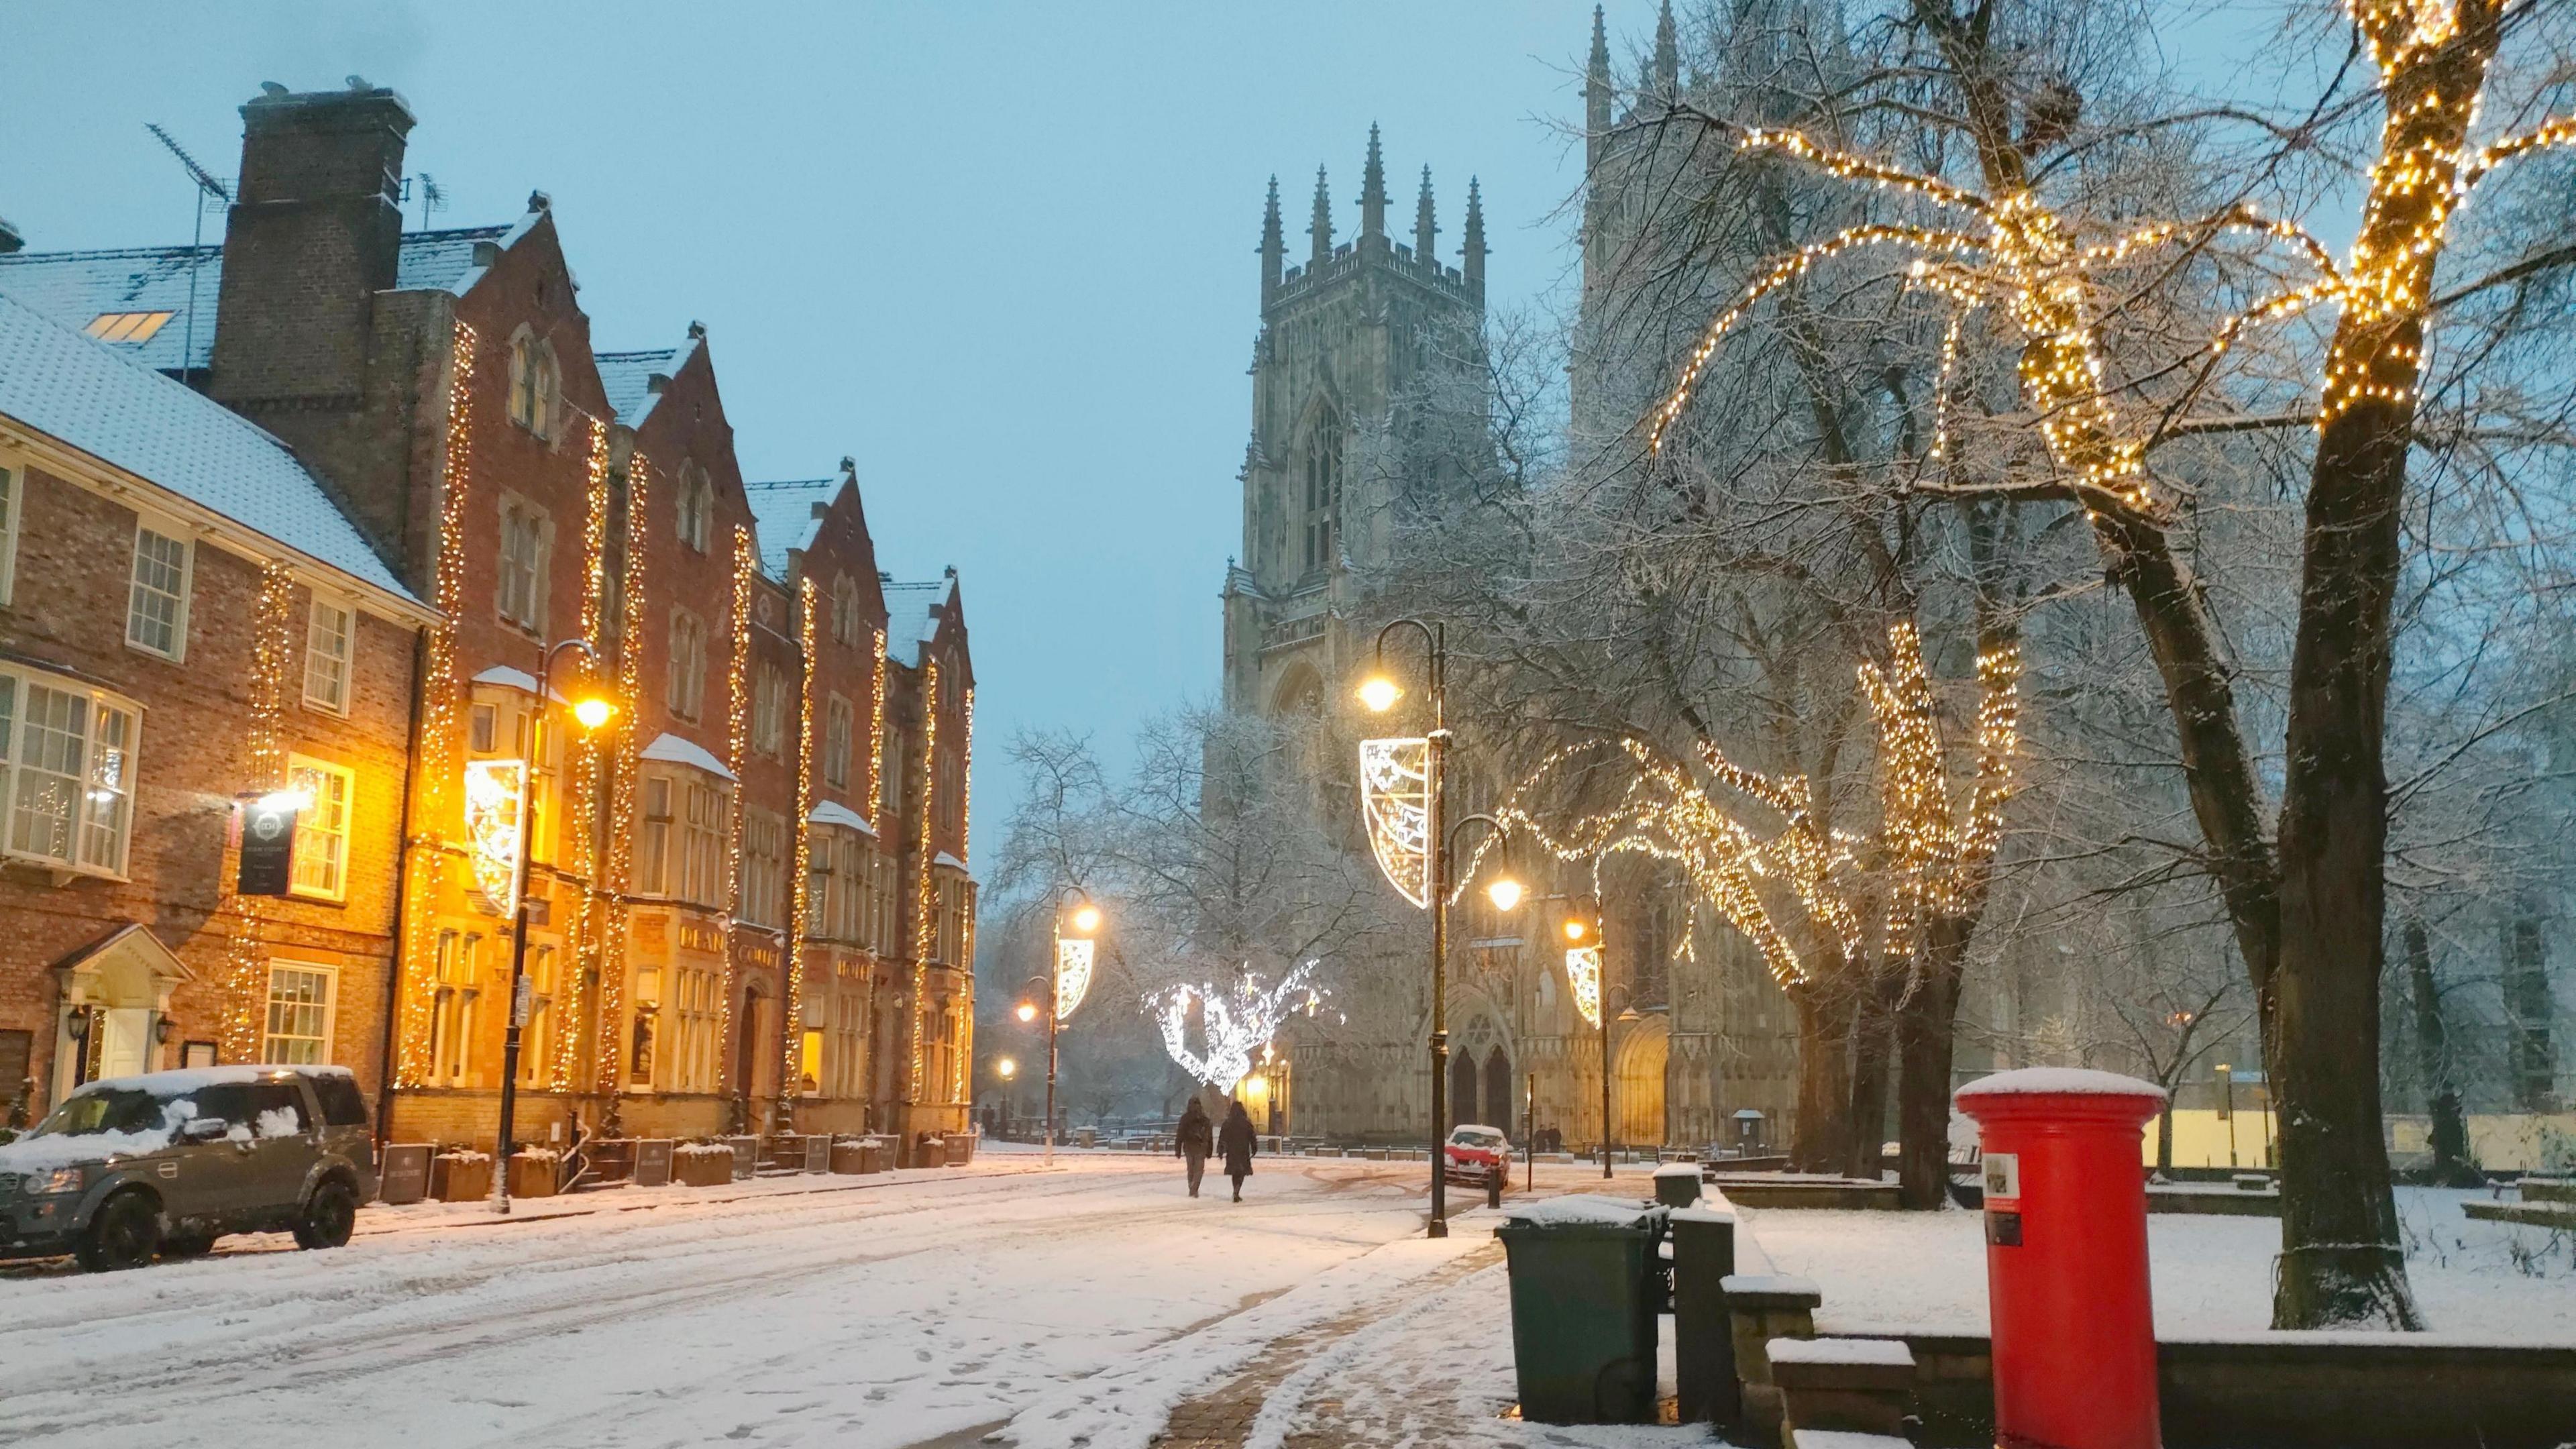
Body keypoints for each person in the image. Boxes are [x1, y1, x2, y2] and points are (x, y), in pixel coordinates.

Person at [1218, 1098, 1258, 1202]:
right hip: (1243, 1151)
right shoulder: (1246, 1123)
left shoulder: (1228, 1123)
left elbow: (1222, 1138)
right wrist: (1254, 1148)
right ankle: (1237, 1190)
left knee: (1235, 1172)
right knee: (1241, 1172)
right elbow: (1252, 1137)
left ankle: (1235, 1190)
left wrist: (1221, 1150)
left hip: (1232, 1151)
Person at [1175, 1097, 1214, 1197]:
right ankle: (1194, 1187)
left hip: (1189, 1146)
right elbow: (1209, 1136)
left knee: (1191, 1169)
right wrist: (1210, 1149)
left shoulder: (1185, 1118)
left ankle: (1191, 1185)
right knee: (1199, 1170)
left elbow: (1180, 1134)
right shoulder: (1204, 1119)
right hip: (1201, 1147)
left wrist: (1178, 1149)